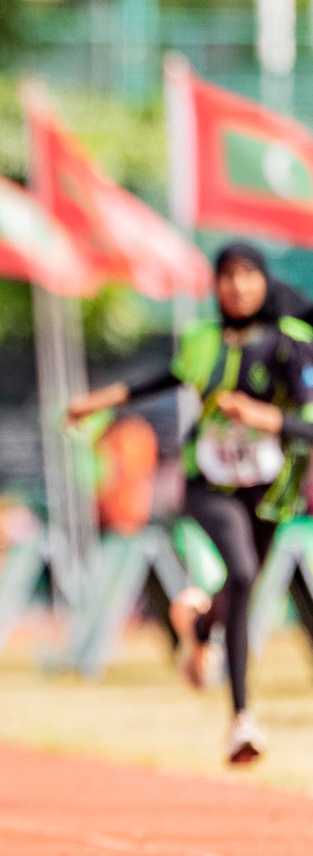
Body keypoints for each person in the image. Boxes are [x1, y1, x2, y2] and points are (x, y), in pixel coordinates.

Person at [67, 242, 313, 765]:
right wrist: (96, 401)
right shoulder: (202, 343)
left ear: (265, 282)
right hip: (209, 482)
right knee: (243, 574)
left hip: (270, 490)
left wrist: (265, 417)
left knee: (244, 585)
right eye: (226, 275)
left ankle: (200, 625)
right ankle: (242, 719)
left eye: (248, 274)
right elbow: (157, 380)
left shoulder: (292, 346)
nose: (237, 286)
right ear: (215, 285)